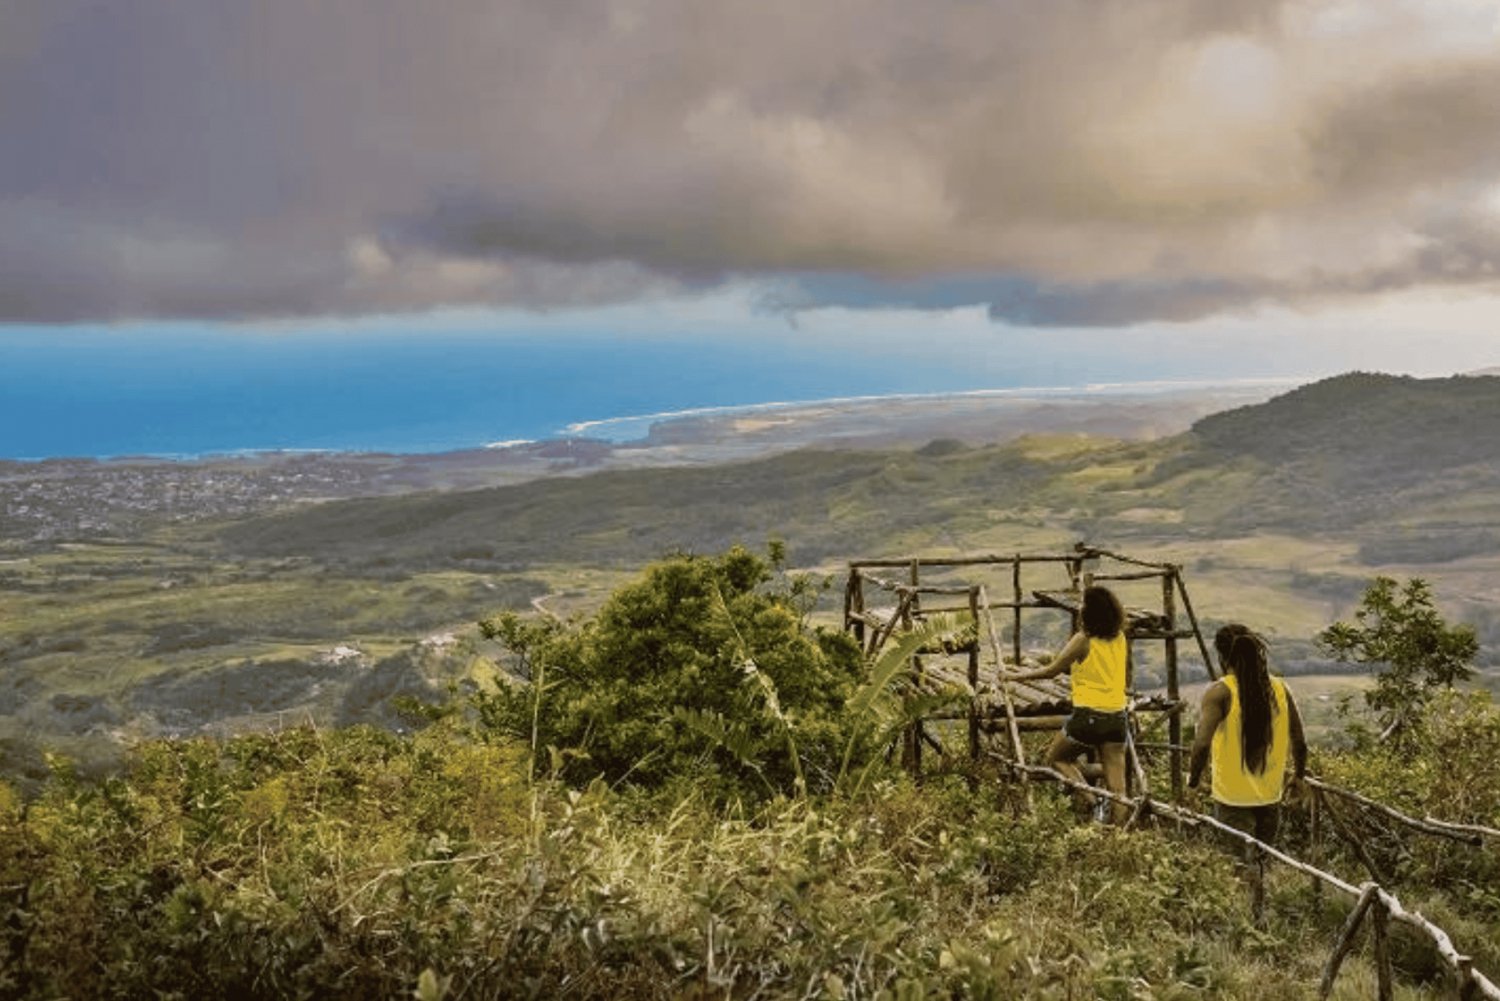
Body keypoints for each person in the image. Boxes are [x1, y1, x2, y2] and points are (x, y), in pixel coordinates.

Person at [1005, 585, 1130, 824]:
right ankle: (1119, 839)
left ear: (1089, 613)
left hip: (1089, 715)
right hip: (1117, 716)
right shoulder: (1120, 638)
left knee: (1056, 759)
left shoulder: (1083, 640)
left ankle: (1094, 801)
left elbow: (1052, 671)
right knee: (1119, 789)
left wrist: (1014, 677)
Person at [1188, 625, 1308, 845]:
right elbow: (1299, 741)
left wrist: (1193, 784)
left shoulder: (1220, 692)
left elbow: (1201, 745)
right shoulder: (1280, 689)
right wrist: (1298, 776)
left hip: (1232, 799)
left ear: (1223, 657)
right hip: (1270, 796)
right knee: (1263, 862)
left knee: (1237, 867)